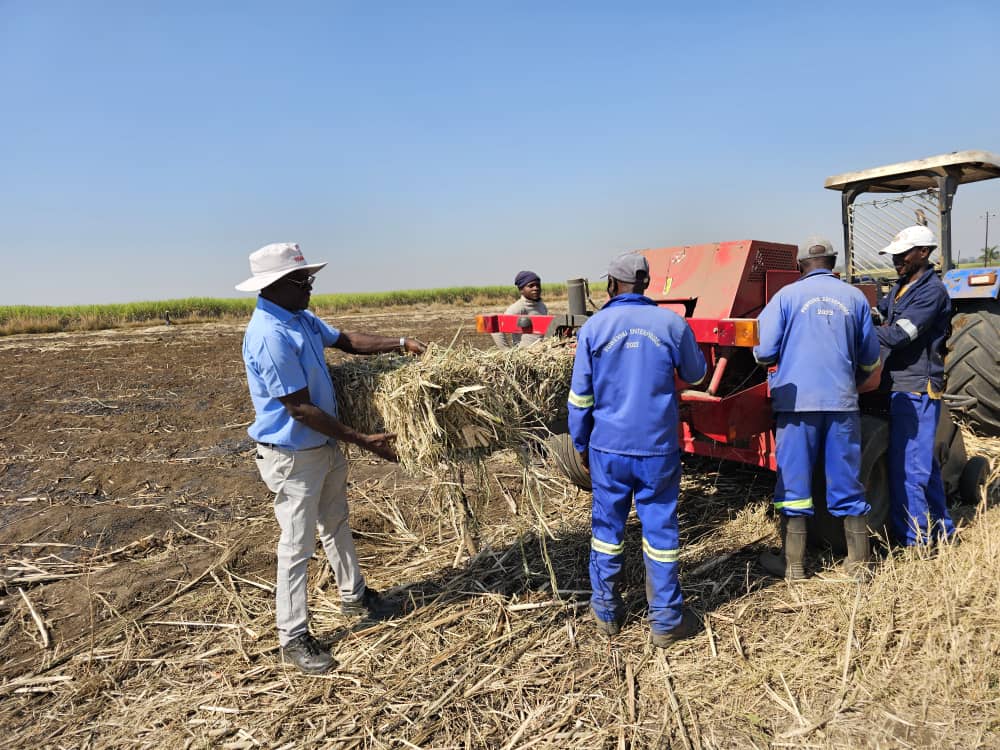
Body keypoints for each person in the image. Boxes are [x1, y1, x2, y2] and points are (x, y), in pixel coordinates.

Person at [236, 242, 427, 675]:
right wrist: (362, 439)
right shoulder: (269, 336)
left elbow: (346, 341)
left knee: (336, 522)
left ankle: (355, 596)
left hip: (321, 446)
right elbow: (299, 409)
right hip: (292, 455)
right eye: (304, 281)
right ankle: (293, 636)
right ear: (276, 285)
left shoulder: (299, 318)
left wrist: (399, 343)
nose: (310, 288)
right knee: (297, 545)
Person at [567, 252, 707, 647]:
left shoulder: (595, 327)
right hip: (657, 448)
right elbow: (696, 374)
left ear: (612, 285)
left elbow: (579, 399)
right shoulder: (670, 324)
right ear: (647, 284)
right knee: (660, 529)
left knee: (607, 530)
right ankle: (665, 620)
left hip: (607, 449)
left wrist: (581, 443)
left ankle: (606, 611)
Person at [753, 237, 881, 580]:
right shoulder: (855, 298)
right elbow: (870, 358)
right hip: (841, 404)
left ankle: (793, 566)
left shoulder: (785, 298)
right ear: (833, 262)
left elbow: (764, 352)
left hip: (796, 407)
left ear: (799, 267)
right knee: (846, 480)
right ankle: (858, 564)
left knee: (794, 483)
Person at [876, 225, 955, 546]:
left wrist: (856, 329)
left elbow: (898, 334)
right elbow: (881, 315)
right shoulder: (902, 286)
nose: (897, 259)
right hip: (899, 383)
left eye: (903, 254)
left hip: (916, 386)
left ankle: (917, 542)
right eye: (894, 254)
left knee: (910, 467)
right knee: (924, 465)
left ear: (924, 253)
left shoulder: (931, 291)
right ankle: (942, 530)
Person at [491, 270, 548, 349]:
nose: (536, 288)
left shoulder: (542, 306)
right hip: (525, 354)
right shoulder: (518, 308)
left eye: (538, 285)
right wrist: (506, 352)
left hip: (540, 353)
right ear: (521, 290)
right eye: (531, 286)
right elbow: (496, 328)